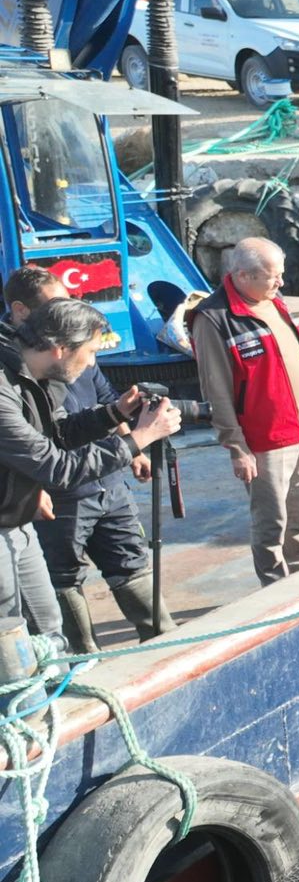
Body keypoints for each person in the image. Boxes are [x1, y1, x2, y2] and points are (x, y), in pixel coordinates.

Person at [4, 268, 173, 649]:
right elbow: (55, 465)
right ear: (60, 347)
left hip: (37, 508)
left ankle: (77, 675)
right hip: (26, 513)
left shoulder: (34, 374)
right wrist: (141, 438)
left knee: (50, 624)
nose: (93, 361)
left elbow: (59, 431)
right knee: (20, 626)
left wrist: (114, 414)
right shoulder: (6, 390)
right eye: (91, 351)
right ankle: (54, 688)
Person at [191, 238, 299, 586]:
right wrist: (237, 448)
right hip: (263, 440)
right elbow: (216, 390)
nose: (281, 283)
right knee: (272, 520)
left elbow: (297, 359)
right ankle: (275, 587)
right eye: (273, 277)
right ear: (242, 275)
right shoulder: (214, 319)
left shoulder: (274, 302)